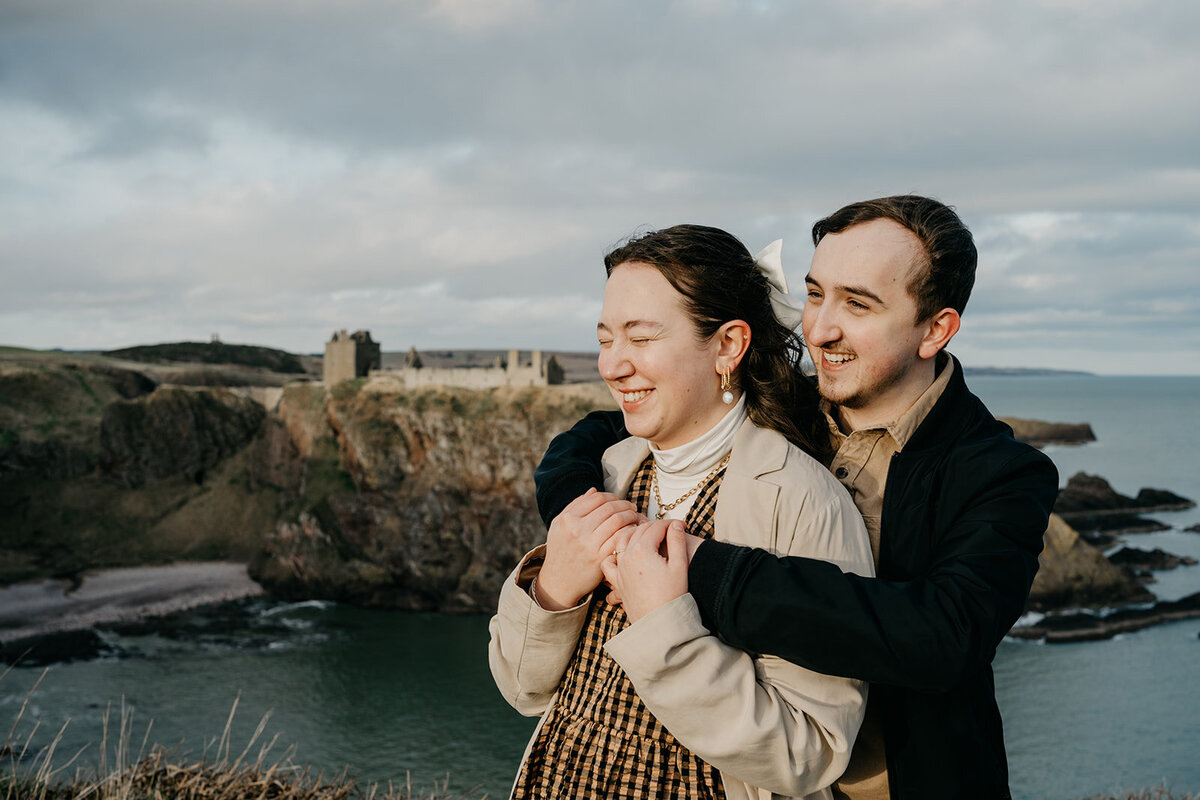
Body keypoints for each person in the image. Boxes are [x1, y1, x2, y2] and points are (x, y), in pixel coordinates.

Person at [534, 196, 1060, 800]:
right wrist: (585, 521)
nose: (818, 328)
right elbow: (601, 433)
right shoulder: (779, 403)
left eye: (857, 304)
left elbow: (943, 636)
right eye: (814, 294)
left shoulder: (1001, 472)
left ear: (934, 329)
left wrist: (699, 566)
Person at [488, 224, 876, 800]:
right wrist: (551, 592)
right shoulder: (612, 471)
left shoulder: (801, 498)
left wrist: (664, 628)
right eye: (605, 339)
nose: (612, 366)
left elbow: (812, 752)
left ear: (727, 345)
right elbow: (523, 690)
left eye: (640, 339)